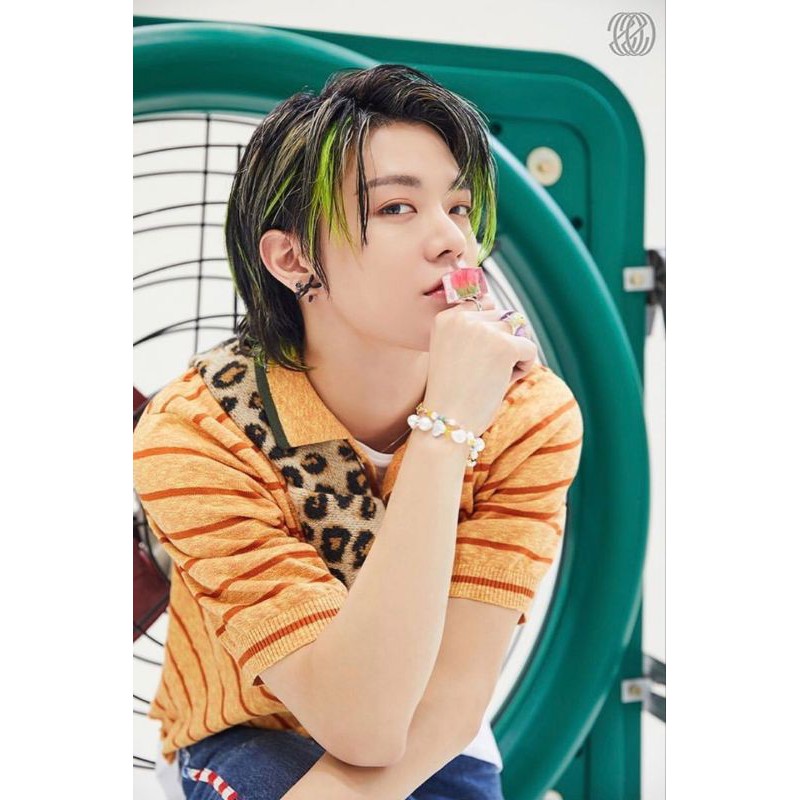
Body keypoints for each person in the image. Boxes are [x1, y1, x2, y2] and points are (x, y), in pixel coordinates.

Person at [133, 63, 584, 800]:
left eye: (460, 207)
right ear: (293, 259)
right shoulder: (198, 432)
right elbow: (362, 726)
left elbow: (448, 702)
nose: (453, 242)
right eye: (398, 207)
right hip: (246, 730)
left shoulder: (528, 415)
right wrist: (445, 432)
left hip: (436, 731)